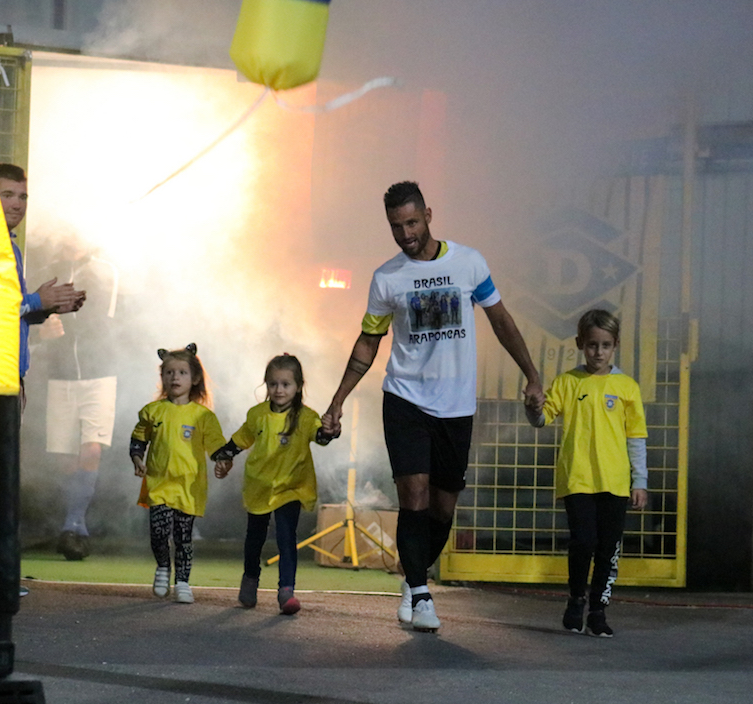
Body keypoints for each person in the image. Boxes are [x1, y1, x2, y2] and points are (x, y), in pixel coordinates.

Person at [321, 181, 544, 633]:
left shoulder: (469, 262)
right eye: (395, 226)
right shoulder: (387, 278)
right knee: (414, 495)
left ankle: (413, 577)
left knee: (442, 507)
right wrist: (337, 401)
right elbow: (368, 342)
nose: (405, 234)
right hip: (405, 398)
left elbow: (501, 320)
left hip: (456, 406)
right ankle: (422, 594)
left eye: (411, 222)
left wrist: (532, 374)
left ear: (428, 215)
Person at [525, 309, 649, 638]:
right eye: (592, 345)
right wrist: (533, 407)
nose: (598, 352)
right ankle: (576, 599)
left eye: (605, 345)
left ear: (615, 345)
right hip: (578, 478)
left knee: (608, 548)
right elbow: (542, 418)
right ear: (580, 343)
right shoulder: (567, 382)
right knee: (583, 542)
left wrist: (640, 481)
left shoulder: (627, 387)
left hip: (615, 482)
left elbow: (636, 437)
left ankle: (598, 611)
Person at [211, 354, 334, 615]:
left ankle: (286, 591)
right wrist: (222, 457)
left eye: (285, 384)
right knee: (254, 539)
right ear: (266, 385)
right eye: (273, 384)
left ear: (298, 386)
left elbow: (321, 437)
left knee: (286, 538)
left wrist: (330, 430)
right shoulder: (257, 415)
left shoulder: (306, 417)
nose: (279, 390)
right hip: (260, 486)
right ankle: (250, 580)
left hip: (291, 488)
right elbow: (239, 441)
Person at [36, 232, 122, 561]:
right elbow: (26, 318)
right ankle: (75, 526)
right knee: (64, 458)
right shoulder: (45, 271)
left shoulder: (104, 271)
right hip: (60, 377)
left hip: (99, 374)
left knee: (92, 449)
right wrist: (40, 331)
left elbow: (105, 321)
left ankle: (72, 526)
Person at [129, 344, 228, 605]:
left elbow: (216, 447)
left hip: (189, 487)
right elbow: (138, 440)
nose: (175, 377)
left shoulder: (203, 416)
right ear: (162, 376)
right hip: (159, 484)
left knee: (183, 537)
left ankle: (182, 582)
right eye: (170, 372)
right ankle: (163, 567)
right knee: (159, 532)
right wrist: (137, 459)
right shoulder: (153, 411)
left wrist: (222, 461)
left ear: (194, 378)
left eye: (182, 372)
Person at [0, 162, 84, 401]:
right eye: (7, 195)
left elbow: (13, 312)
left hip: (10, 377)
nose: (17, 204)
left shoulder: (11, 248)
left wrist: (46, 307)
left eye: (23, 197)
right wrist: (37, 301)